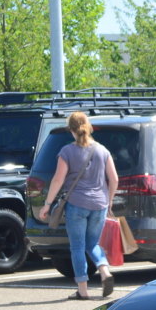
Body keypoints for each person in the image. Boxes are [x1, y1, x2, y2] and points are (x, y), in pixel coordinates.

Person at [39, 112, 119, 299]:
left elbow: (58, 180)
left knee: (77, 246)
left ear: (71, 130)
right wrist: (109, 201)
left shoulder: (67, 151)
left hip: (76, 204)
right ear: (88, 127)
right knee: (93, 244)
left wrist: (47, 204)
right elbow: (114, 179)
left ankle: (83, 290)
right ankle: (105, 272)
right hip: (99, 204)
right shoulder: (102, 150)